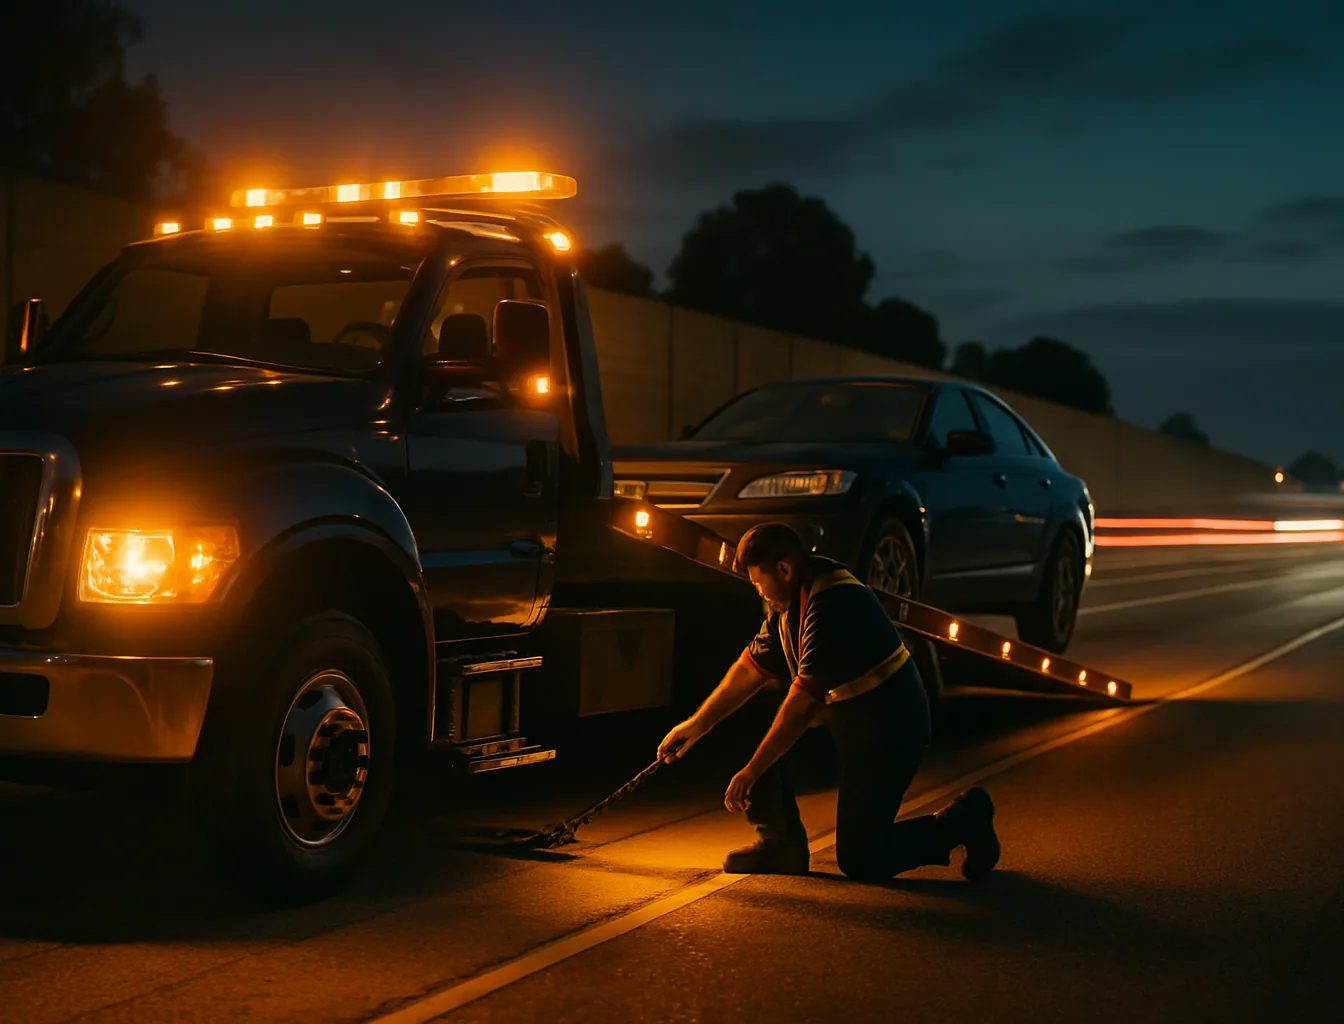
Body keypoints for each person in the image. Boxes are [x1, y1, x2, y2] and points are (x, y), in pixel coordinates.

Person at [657, 522, 1000, 880]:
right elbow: (749, 670)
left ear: (785, 569)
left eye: (758, 582)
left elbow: (802, 704)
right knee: (747, 719)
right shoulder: (788, 602)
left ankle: (963, 820)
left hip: (890, 723)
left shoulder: (833, 602)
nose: (759, 592)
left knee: (863, 858)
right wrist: (697, 725)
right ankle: (782, 846)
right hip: (848, 716)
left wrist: (752, 771)